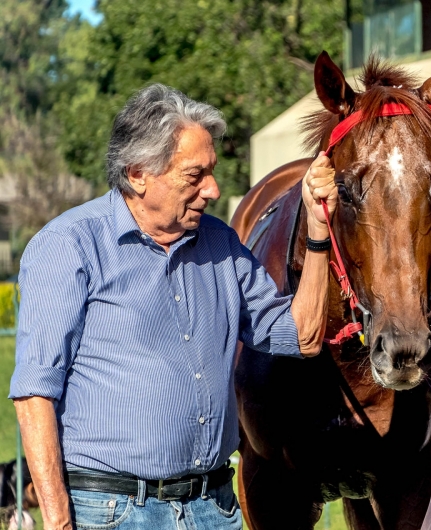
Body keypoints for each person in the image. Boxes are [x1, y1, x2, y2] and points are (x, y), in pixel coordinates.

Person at [10, 84, 338, 530]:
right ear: (139, 172)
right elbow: (35, 394)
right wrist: (58, 521)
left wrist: (318, 232)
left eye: (212, 172)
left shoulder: (222, 243)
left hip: (213, 509)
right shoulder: (69, 246)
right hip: (112, 513)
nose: (213, 189)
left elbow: (302, 335)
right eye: (194, 175)